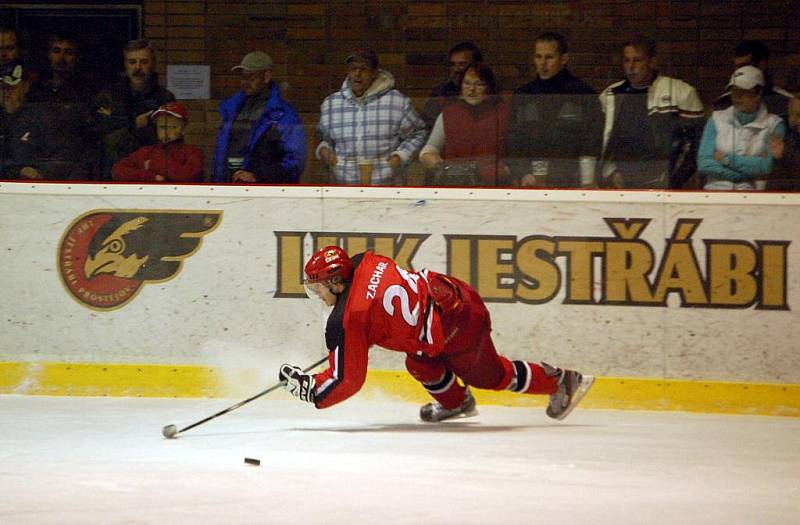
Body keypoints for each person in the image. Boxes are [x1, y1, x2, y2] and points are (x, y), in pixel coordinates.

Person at [278, 246, 595, 423]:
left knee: (491, 375)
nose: (317, 293)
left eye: (318, 287)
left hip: (459, 327)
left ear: (336, 282)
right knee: (420, 363)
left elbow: (348, 380)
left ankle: (560, 381)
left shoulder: (351, 318)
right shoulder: (366, 260)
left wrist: (312, 390)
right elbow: (379, 305)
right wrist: (357, 336)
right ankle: (456, 403)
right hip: (449, 299)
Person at [599, 35, 705, 189]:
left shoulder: (681, 92)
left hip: (665, 185)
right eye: (627, 60)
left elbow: (696, 146)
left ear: (652, 62)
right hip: (621, 183)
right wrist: (609, 174)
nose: (631, 66)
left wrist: (673, 181)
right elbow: (601, 141)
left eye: (637, 60)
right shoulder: (610, 95)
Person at [316, 49, 427, 186]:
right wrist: (325, 153)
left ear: (374, 73)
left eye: (363, 69)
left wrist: (399, 157)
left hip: (387, 188)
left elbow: (418, 134)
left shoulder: (397, 102)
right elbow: (323, 138)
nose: (357, 74)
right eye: (353, 69)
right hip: (343, 189)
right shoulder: (331, 104)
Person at [506, 32, 603, 188]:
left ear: (564, 59)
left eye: (549, 57)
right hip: (531, 182)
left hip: (571, 182)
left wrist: (586, 179)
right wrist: (522, 173)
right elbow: (513, 141)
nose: (543, 63)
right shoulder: (523, 96)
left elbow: (592, 142)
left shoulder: (583, 95)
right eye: (538, 57)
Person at [212, 51, 306, 184]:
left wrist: (258, 176)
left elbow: (295, 162)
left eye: (251, 77)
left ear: (267, 76)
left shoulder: (284, 115)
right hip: (228, 186)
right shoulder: (232, 109)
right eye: (243, 77)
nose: (245, 82)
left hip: (265, 193)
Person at [94, 39, 175, 180]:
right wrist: (134, 124)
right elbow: (99, 133)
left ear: (153, 64)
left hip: (152, 174)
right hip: (113, 173)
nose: (138, 67)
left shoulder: (164, 98)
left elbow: (172, 140)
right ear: (125, 64)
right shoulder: (109, 96)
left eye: (144, 62)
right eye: (132, 62)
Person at [419, 62, 511, 186]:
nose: (471, 89)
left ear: (489, 87)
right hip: (455, 186)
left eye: (479, 84)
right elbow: (429, 150)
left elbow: (516, 155)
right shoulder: (448, 114)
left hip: (493, 186)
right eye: (467, 83)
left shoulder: (504, 114)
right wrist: (441, 167)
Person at [699, 66, 786, 191]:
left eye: (743, 91)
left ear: (758, 93)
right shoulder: (716, 119)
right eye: (734, 91)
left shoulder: (774, 124)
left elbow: (765, 166)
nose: (737, 97)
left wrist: (725, 159)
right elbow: (704, 163)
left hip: (753, 195)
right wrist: (743, 175)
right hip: (714, 192)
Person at [0, 64, 92, 180]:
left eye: (12, 87)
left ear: (25, 87)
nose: (6, 91)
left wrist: (41, 172)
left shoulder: (43, 118)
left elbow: (65, 156)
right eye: (3, 87)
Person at [112, 102, 203, 182]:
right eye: (162, 127)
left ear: (183, 129)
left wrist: (153, 164)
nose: (166, 131)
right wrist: (151, 177)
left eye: (172, 127)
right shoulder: (146, 152)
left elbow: (189, 176)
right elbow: (118, 171)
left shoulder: (192, 153)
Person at [714, 40, 794, 122]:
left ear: (762, 64)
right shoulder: (724, 102)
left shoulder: (785, 101)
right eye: (737, 67)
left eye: (744, 65)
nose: (740, 71)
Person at [420, 41, 483, 129]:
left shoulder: (487, 91)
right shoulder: (441, 93)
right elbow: (428, 124)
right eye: (452, 65)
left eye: (462, 64)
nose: (456, 69)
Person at [28, 33, 93, 104]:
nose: (61, 58)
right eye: (57, 51)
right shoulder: (37, 87)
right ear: (49, 55)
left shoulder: (85, 90)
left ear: (77, 57)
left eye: (68, 53)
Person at [769, 95, 800, 191]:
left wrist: (784, 152)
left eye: (799, 115)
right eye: (791, 114)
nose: (793, 120)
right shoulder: (784, 132)